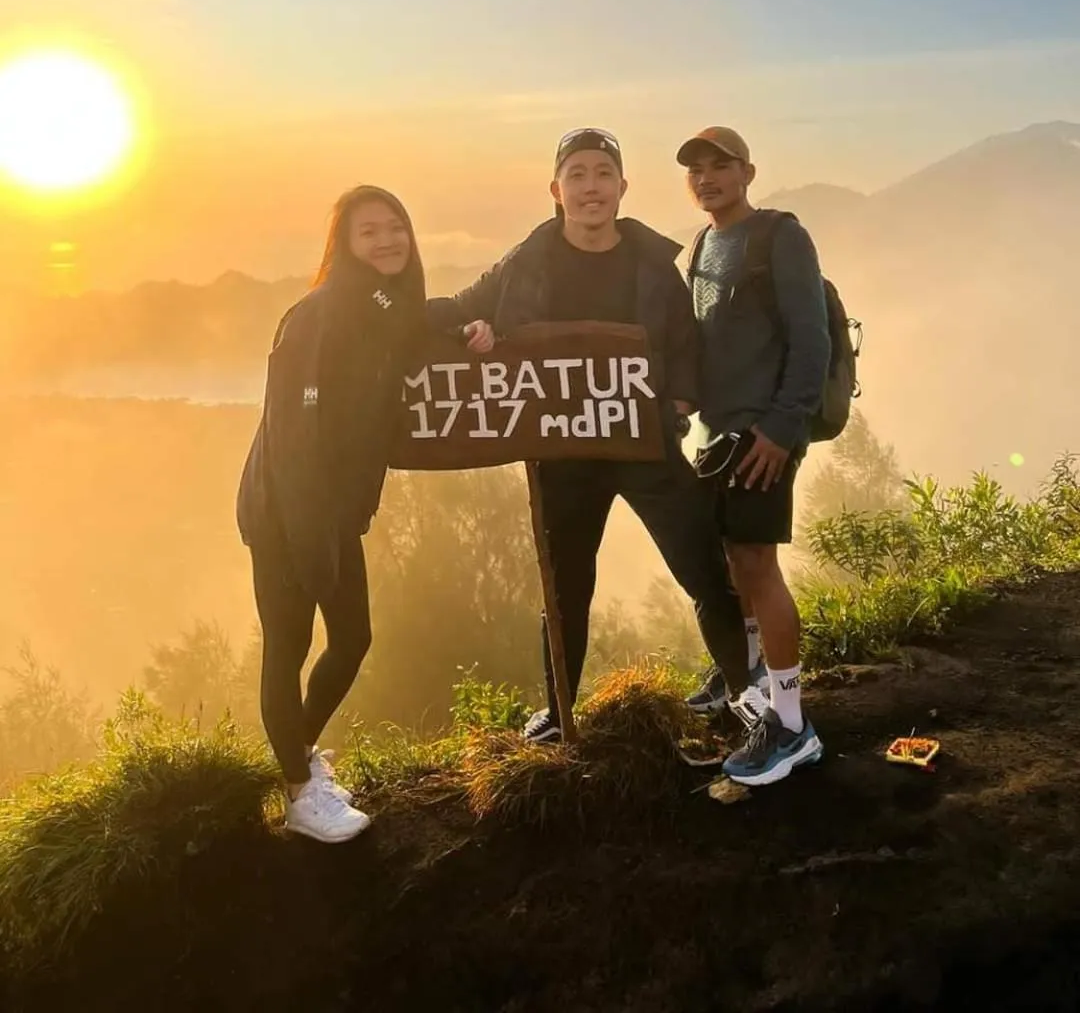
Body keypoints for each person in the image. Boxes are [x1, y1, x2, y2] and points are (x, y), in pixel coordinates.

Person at [429, 128, 757, 743]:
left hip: (646, 448)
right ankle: (560, 715)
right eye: (577, 174)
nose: (590, 187)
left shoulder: (655, 266)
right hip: (563, 456)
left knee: (705, 572)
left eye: (603, 174)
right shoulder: (524, 263)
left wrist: (677, 401)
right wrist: (454, 325)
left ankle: (745, 697)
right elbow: (458, 308)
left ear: (622, 187)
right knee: (565, 589)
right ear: (556, 190)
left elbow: (685, 346)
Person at [237, 185, 432, 841]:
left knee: (351, 639)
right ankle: (299, 791)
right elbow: (294, 430)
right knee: (289, 646)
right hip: (286, 508)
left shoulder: (386, 308)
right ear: (344, 245)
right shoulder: (320, 312)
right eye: (368, 231)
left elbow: (424, 329)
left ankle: (295, 760)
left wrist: (473, 327)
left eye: (395, 227)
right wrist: (306, 533)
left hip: (333, 511)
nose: (386, 240)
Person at [678, 126, 831, 786]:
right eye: (697, 170)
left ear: (748, 172)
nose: (708, 177)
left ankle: (792, 724)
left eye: (722, 165)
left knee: (758, 567)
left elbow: (812, 338)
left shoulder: (779, 235)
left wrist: (782, 427)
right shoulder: (703, 244)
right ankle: (745, 675)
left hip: (764, 432)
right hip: (721, 433)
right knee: (732, 562)